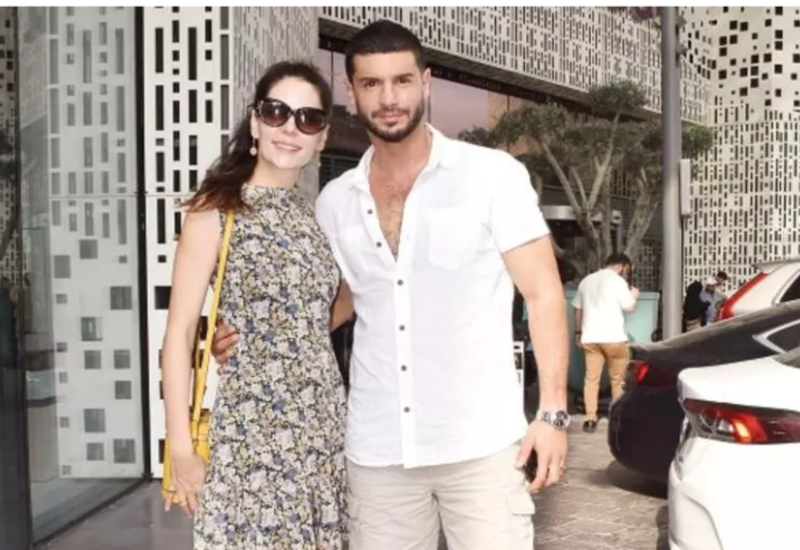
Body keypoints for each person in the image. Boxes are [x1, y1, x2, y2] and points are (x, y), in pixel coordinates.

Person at [213, 19, 570, 550]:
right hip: (378, 453)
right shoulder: (335, 200)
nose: (388, 98)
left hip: (481, 448)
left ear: (425, 82)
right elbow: (336, 301)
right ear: (352, 92)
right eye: (372, 83)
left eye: (401, 80)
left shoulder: (491, 176)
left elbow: (543, 294)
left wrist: (553, 413)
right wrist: (252, 336)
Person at [160, 61, 354, 550]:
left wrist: (275, 335)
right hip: (252, 438)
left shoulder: (312, 217)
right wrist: (180, 447)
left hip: (322, 429)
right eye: (276, 112)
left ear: (322, 138)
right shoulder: (216, 210)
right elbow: (179, 332)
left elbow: (332, 308)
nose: (290, 128)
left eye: (308, 119)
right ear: (255, 121)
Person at [572, 253, 639, 433]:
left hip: (591, 338)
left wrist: (578, 333)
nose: (626, 273)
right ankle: (616, 418)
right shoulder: (618, 282)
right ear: (622, 266)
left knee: (591, 379)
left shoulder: (586, 281)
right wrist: (634, 295)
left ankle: (590, 418)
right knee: (618, 380)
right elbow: (629, 307)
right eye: (627, 269)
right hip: (614, 338)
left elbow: (577, 310)